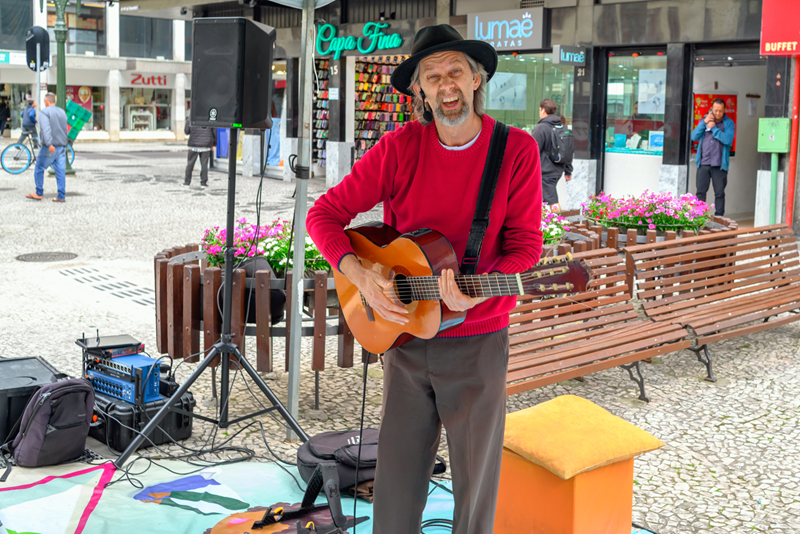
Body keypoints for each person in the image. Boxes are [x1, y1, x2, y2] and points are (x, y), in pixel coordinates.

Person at [307, 24, 542, 534]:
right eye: (431, 76)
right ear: (419, 89)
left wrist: (476, 290)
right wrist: (361, 275)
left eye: (455, 70)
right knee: (394, 486)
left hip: (477, 345)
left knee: (474, 491)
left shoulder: (516, 149)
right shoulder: (398, 147)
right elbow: (323, 215)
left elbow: (526, 248)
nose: (445, 84)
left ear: (477, 78)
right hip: (406, 341)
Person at [691, 98, 735, 216]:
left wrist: (714, 128)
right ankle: (698, 218)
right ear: (711, 109)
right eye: (715, 110)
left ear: (724, 110)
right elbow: (694, 136)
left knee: (719, 193)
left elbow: (728, 139)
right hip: (703, 163)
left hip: (719, 165)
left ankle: (719, 219)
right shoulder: (705, 121)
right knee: (700, 193)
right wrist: (704, 123)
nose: (717, 113)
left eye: (720, 111)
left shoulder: (729, 123)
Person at [27, 93, 68, 202]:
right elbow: (65, 129)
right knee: (60, 171)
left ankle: (39, 192)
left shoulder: (44, 112)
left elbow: (46, 129)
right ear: (54, 101)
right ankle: (61, 195)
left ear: (46, 102)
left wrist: (49, 144)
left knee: (39, 168)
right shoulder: (62, 112)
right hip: (62, 146)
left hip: (50, 147)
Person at [532, 98, 572, 210]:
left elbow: (533, 151)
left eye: (540, 110)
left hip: (545, 171)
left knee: (551, 200)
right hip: (558, 169)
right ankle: (545, 224)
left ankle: (558, 224)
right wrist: (568, 170)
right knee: (542, 199)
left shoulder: (541, 128)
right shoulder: (563, 127)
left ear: (543, 110)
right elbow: (568, 150)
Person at [183, 119, 216, 188]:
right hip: (206, 144)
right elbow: (214, 131)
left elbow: (187, 131)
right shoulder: (209, 116)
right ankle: (203, 183)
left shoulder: (191, 116)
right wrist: (214, 143)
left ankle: (187, 182)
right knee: (204, 165)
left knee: (190, 164)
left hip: (193, 144)